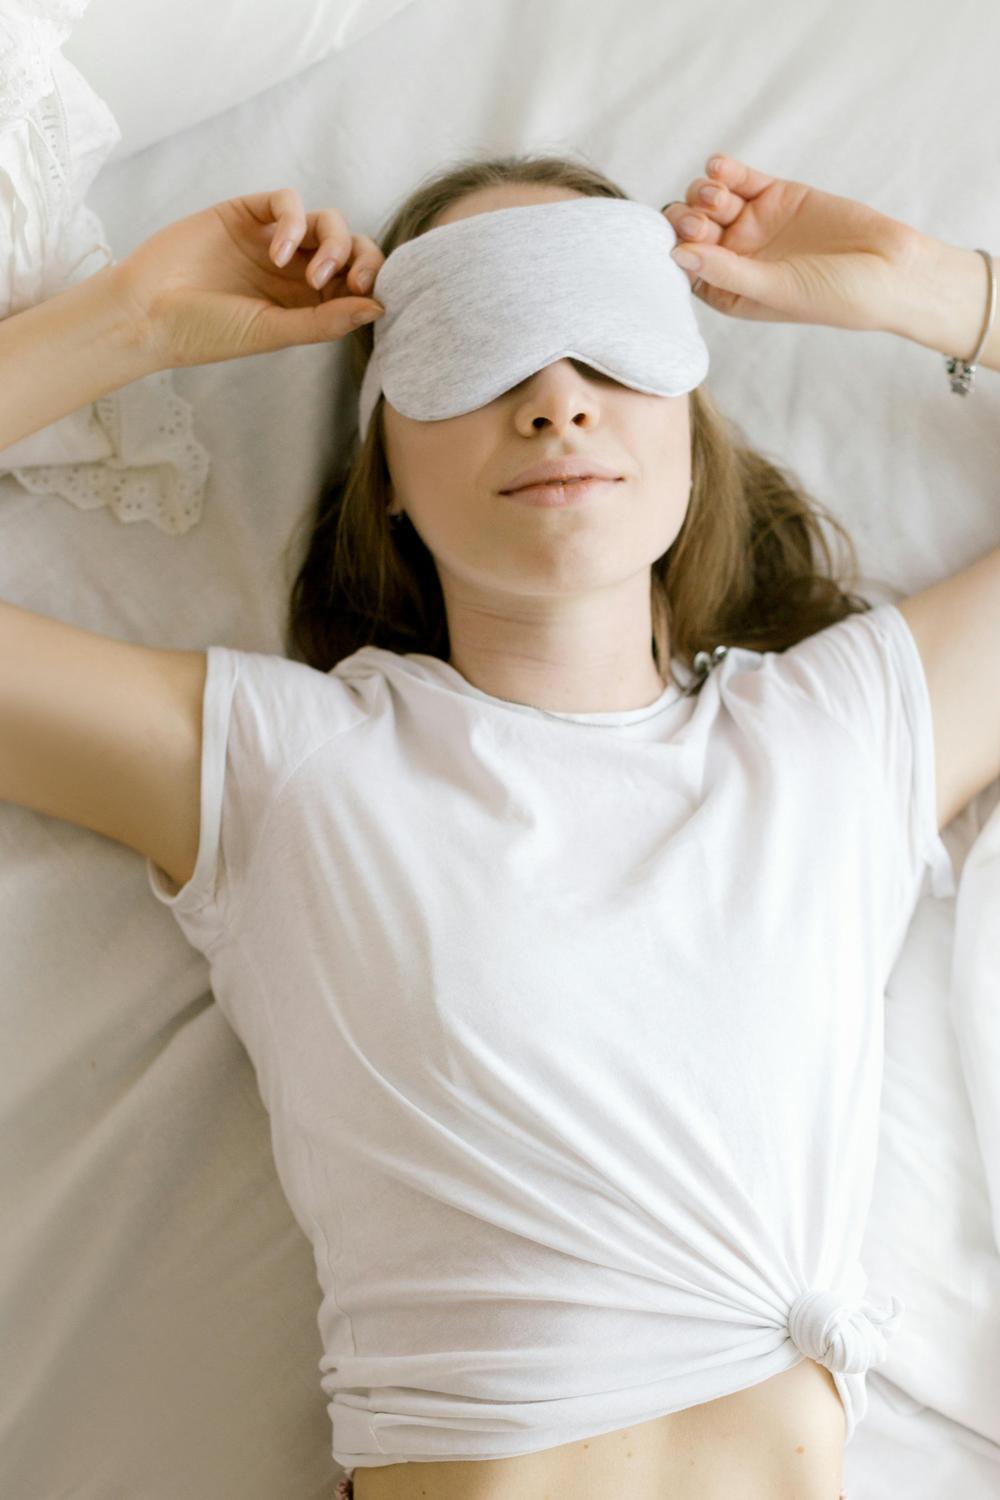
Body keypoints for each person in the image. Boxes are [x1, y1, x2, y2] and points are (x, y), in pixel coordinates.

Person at [1, 152, 998, 1500]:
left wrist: (928, 290)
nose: (554, 402)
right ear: (390, 471)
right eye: (476, 350)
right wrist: (131, 322)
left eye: (608, 342)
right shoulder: (292, 778)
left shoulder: (843, 739)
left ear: (689, 429)